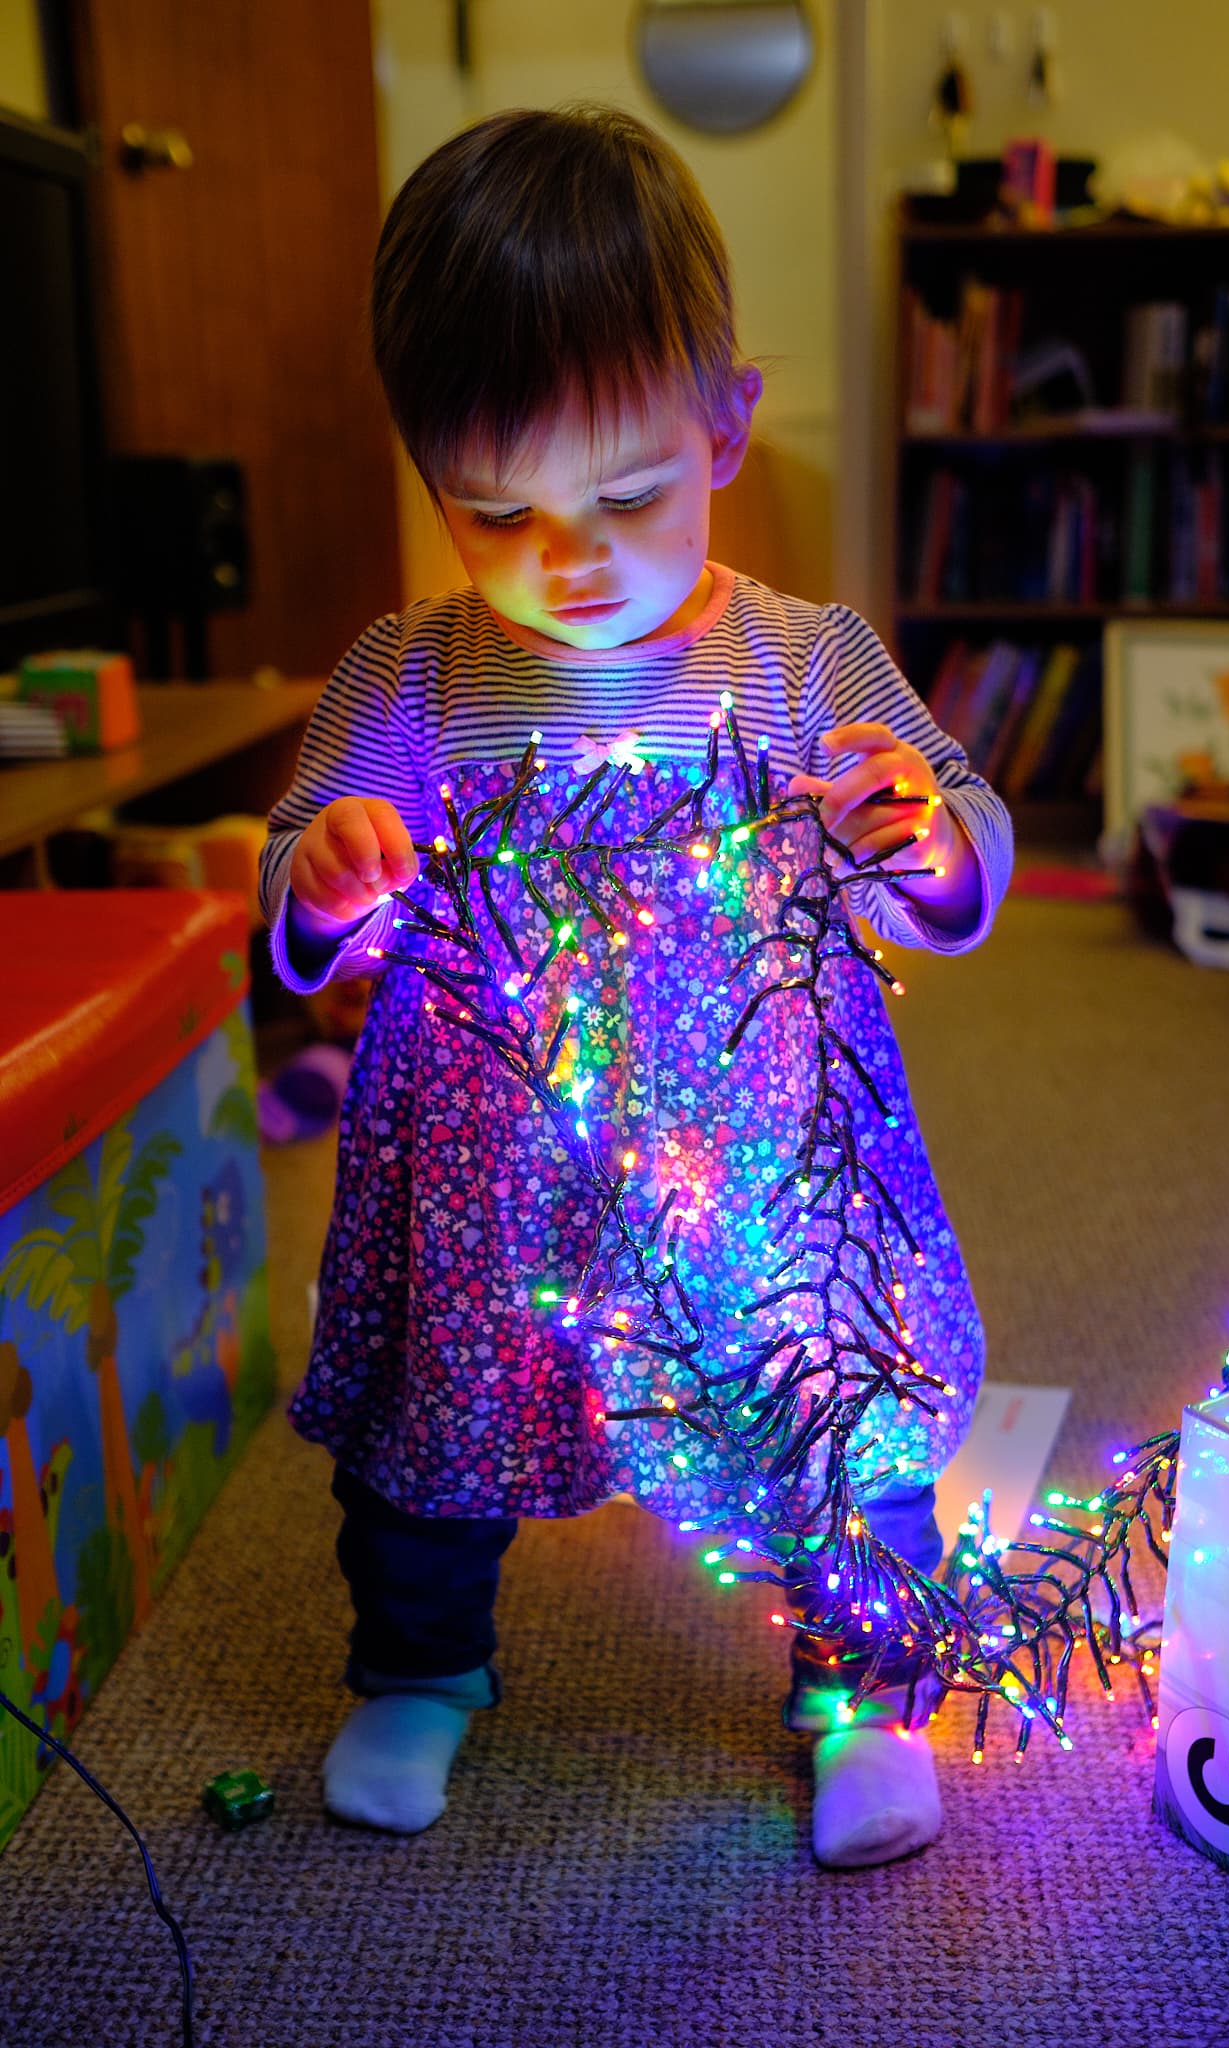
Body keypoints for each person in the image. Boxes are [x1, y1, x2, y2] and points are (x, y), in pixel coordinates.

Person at [260, 103, 1012, 1870]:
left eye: (625, 494)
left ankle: (862, 1691)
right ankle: (423, 1664)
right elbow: (301, 879)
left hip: (769, 1180)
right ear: (427, 470)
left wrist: (922, 831)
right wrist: (326, 867)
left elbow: (959, 829)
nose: (568, 558)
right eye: (494, 511)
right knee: (428, 1441)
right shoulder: (411, 673)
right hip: (485, 1178)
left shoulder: (805, 655)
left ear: (726, 426)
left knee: (840, 1419)